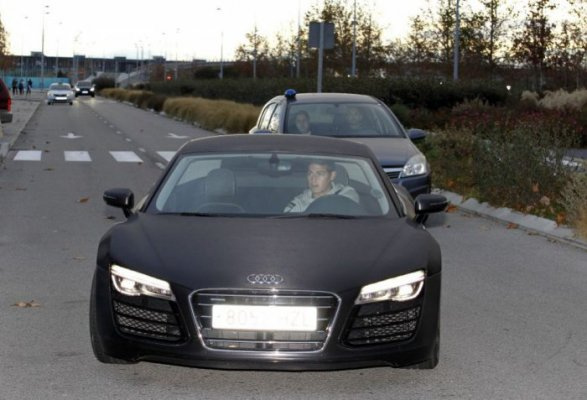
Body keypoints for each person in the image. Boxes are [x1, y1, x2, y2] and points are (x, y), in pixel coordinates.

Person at [284, 160, 359, 213]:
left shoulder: (346, 194)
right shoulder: (300, 202)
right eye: (310, 173)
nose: (313, 179)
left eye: (320, 174)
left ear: (332, 176)